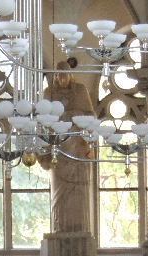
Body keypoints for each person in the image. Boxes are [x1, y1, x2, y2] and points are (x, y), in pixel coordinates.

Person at [38, 61, 95, 234]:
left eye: (65, 75)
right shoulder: (49, 93)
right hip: (58, 151)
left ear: (70, 75)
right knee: (59, 190)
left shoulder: (80, 90)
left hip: (77, 149)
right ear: (55, 76)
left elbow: (91, 116)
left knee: (78, 189)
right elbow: (42, 121)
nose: (62, 79)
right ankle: (59, 227)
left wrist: (75, 116)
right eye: (59, 75)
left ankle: (80, 228)